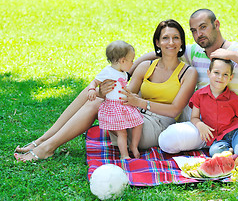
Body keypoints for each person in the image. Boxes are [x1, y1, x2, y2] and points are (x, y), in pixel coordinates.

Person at [14, 19, 197, 162]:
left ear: (182, 42)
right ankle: (43, 141)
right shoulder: (145, 67)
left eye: (176, 38)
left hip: (157, 126)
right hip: (134, 115)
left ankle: (46, 147)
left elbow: (174, 110)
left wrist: (140, 103)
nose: (170, 42)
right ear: (157, 42)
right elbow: (124, 96)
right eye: (165, 38)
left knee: (96, 104)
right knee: (95, 95)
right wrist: (103, 92)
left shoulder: (188, 73)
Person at [155, 9, 238, 153]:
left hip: (230, 123)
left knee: (170, 139)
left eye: (203, 27)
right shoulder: (195, 51)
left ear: (216, 24)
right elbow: (166, 52)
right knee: (167, 140)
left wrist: (230, 55)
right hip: (200, 123)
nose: (198, 34)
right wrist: (129, 69)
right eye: (194, 30)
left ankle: (233, 142)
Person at [87, 40, 144, 159]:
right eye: (131, 60)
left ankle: (134, 145)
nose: (133, 63)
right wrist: (92, 89)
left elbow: (121, 88)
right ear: (122, 61)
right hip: (114, 107)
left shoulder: (122, 72)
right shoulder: (108, 71)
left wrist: (131, 96)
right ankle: (124, 155)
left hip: (125, 104)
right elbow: (95, 81)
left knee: (139, 123)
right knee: (122, 133)